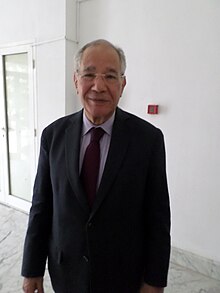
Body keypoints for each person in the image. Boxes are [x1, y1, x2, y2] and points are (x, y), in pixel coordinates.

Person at [22, 39, 171, 293]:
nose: (98, 86)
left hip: (123, 275)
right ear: (76, 81)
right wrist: (32, 268)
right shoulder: (53, 136)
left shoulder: (148, 140)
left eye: (110, 76)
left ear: (122, 85)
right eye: (89, 74)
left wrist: (154, 280)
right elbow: (42, 206)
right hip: (66, 272)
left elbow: (157, 218)